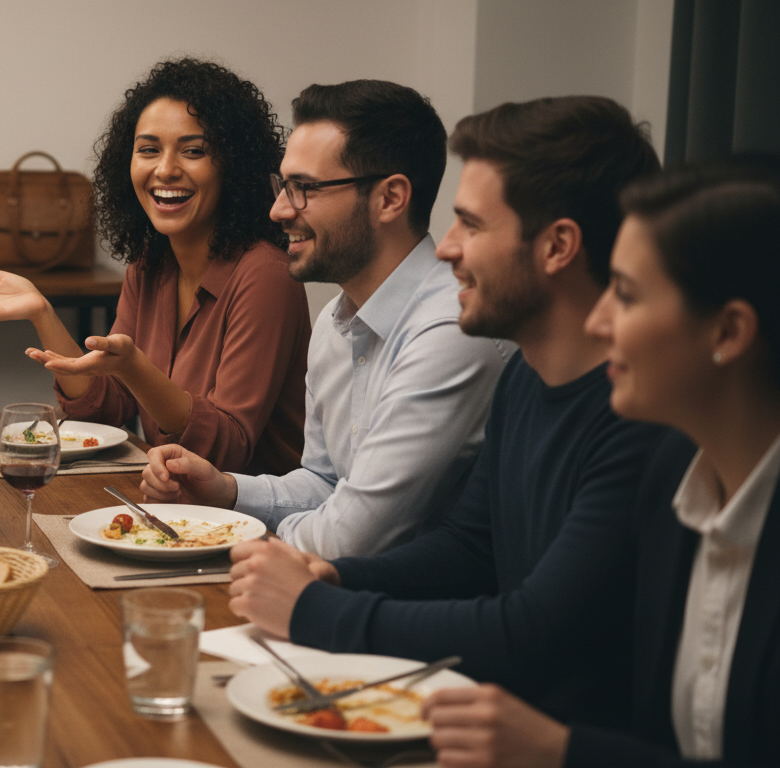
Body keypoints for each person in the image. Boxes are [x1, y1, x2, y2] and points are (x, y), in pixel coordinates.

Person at [221, 95, 667, 725]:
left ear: (558, 246)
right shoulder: (525, 378)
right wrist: (336, 578)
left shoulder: (638, 422)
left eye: (471, 225)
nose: (447, 248)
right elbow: (470, 548)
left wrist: (313, 606)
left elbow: (531, 632)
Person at [423, 157, 780, 767]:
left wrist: (563, 752)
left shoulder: (648, 460)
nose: (598, 320)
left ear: (728, 333)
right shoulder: (674, 475)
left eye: (628, 295)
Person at [141, 80, 511, 558]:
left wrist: (221, 536)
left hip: (408, 598)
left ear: (390, 199)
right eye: (283, 186)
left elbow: (352, 537)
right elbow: (325, 482)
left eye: (305, 189)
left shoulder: (449, 330)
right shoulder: (337, 319)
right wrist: (227, 491)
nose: (278, 209)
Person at [0, 57, 310, 475]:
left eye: (194, 151)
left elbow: (224, 451)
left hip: (250, 511)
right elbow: (105, 410)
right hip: (169, 500)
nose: (165, 169)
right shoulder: (149, 267)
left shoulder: (267, 276)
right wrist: (42, 313)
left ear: (234, 166)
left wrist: (135, 369)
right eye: (149, 150)